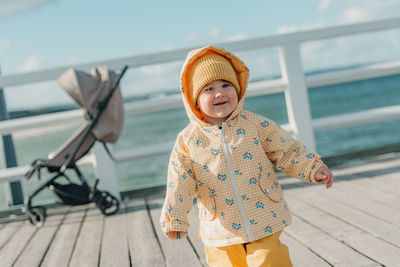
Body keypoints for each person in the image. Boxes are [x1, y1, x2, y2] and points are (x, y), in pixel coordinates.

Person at [159, 46, 333, 267]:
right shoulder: (188, 141)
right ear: (194, 100)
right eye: (208, 89)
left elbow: (286, 150)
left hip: (263, 217)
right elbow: (179, 182)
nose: (220, 93)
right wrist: (175, 218)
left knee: (270, 261)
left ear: (238, 90)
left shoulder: (255, 125)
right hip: (220, 229)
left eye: (226, 85)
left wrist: (311, 167)